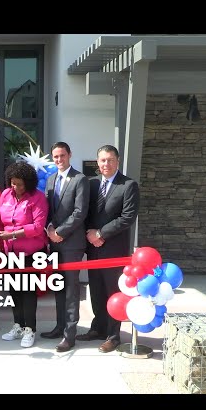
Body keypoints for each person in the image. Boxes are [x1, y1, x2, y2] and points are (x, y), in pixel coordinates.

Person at [77, 145, 139, 353]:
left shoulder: (128, 185)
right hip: (93, 249)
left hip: (114, 250)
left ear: (118, 161)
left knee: (113, 293)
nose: (106, 164)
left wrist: (101, 234)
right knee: (95, 291)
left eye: (110, 160)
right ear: (98, 162)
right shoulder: (92, 184)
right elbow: (82, 212)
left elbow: (127, 217)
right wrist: (90, 235)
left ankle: (113, 336)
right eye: (102, 160)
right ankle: (98, 328)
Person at [0, 161, 49, 348]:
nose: (14, 187)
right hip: (10, 252)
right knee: (14, 291)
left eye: (19, 184)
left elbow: (38, 227)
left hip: (31, 253)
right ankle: (18, 325)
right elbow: (0, 220)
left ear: (29, 183)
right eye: (12, 182)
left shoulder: (38, 197)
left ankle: (30, 329)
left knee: (27, 292)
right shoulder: (5, 194)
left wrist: (13, 234)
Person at [42, 142, 89, 352]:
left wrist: (60, 232)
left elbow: (80, 212)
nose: (59, 160)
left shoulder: (80, 179)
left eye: (62, 156)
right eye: (55, 157)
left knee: (71, 289)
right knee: (58, 287)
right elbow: (47, 209)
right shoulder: (51, 180)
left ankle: (70, 334)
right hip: (55, 243)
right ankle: (59, 326)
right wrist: (50, 228)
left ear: (69, 155)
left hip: (71, 244)